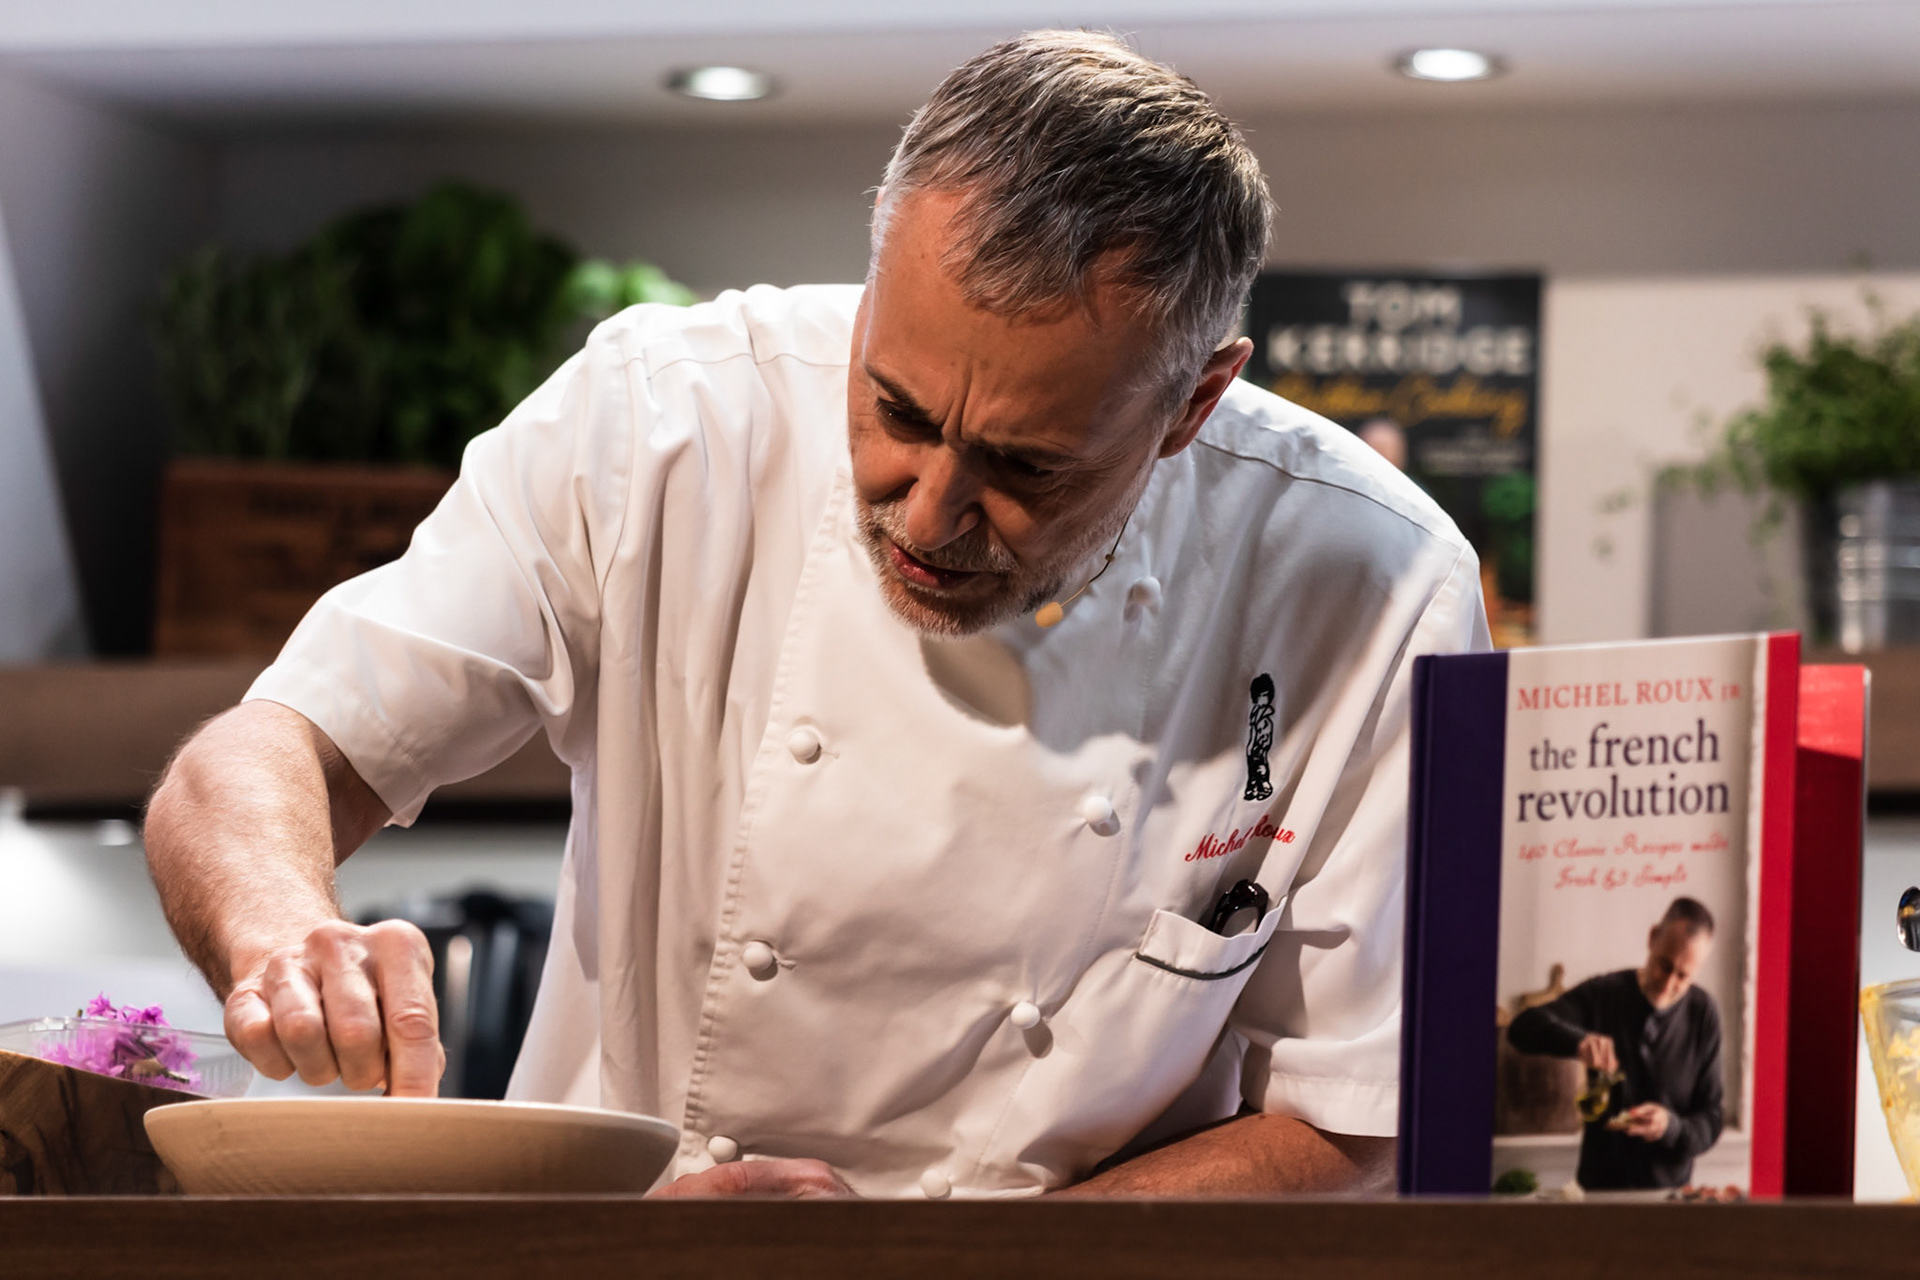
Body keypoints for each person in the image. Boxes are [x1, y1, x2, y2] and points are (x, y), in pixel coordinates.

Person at [144, 31, 1488, 1199]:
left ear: (1195, 401)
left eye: (1026, 465)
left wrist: (926, 1266)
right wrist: (279, 932)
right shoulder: (663, 421)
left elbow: (1362, 1125)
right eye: (898, 411)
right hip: (632, 1259)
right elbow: (269, 753)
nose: (928, 512)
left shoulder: (1376, 581)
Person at [1506, 898, 1725, 1190]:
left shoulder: (1704, 1013)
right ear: (1652, 939)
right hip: (1599, 1194)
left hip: (1669, 1200)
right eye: (1664, 965)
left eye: (1683, 977)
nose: (1668, 983)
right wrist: (1578, 1042)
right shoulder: (1604, 993)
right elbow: (1522, 1028)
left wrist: (1670, 1127)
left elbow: (1711, 1118)